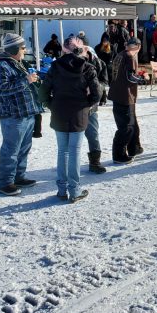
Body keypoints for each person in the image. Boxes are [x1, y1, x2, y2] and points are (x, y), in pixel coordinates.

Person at [38, 35, 100, 203]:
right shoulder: (87, 67)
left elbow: (43, 92)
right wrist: (87, 106)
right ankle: (74, 190)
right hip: (79, 113)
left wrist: (51, 105)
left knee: (63, 151)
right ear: (81, 49)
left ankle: (62, 189)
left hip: (59, 112)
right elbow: (97, 93)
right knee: (73, 152)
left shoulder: (55, 66)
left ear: (64, 49)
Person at [0, 33, 41, 196]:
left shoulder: (17, 63)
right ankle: (6, 183)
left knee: (24, 149)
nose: (25, 50)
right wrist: (26, 80)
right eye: (22, 47)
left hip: (26, 113)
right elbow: (2, 88)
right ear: (13, 49)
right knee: (10, 150)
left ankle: (18, 177)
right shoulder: (1, 65)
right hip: (13, 116)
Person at [109, 37, 147, 163]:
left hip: (121, 94)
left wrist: (138, 75)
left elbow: (121, 74)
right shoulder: (129, 57)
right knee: (127, 126)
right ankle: (118, 155)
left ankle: (134, 148)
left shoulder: (119, 55)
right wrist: (143, 79)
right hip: (124, 96)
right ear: (138, 47)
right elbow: (130, 77)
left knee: (133, 124)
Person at [79, 34, 108, 174]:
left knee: (93, 134)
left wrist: (96, 88)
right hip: (76, 105)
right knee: (73, 137)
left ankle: (95, 162)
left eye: (84, 48)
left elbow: (104, 81)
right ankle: (68, 164)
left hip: (91, 106)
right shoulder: (73, 62)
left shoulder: (99, 63)